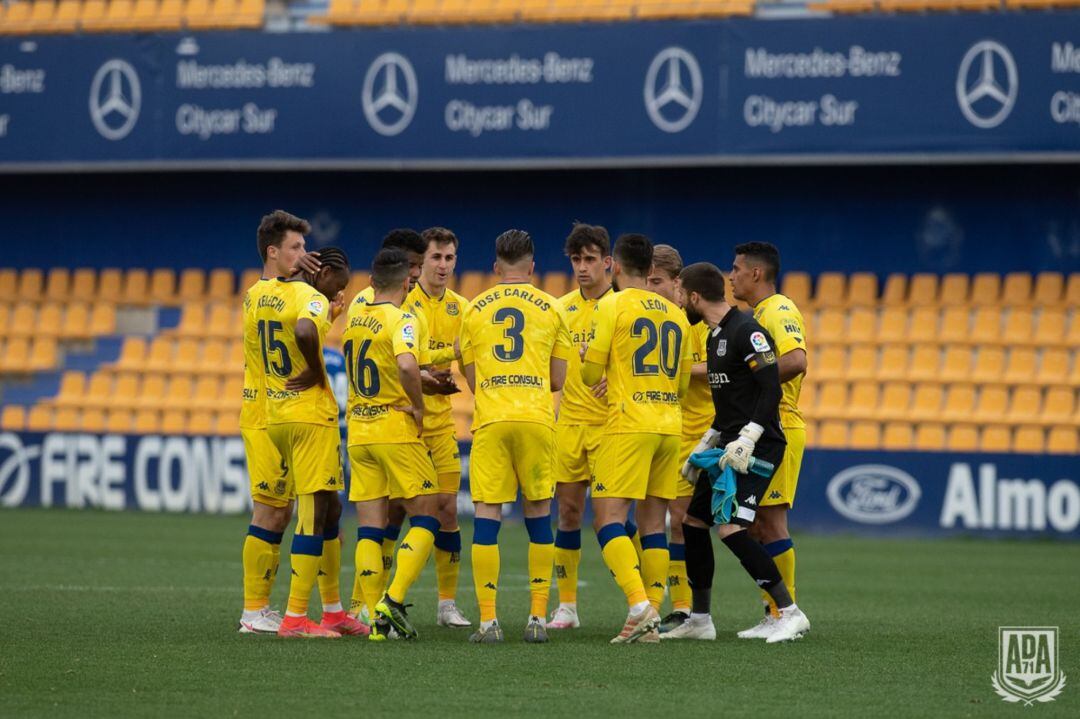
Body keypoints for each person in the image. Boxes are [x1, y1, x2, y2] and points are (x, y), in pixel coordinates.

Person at [675, 262, 810, 643]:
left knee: (733, 527)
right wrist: (707, 443)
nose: (680, 301)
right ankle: (700, 619)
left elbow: (770, 387)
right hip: (728, 444)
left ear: (695, 297)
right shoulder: (714, 336)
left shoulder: (746, 330)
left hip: (759, 445)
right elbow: (731, 402)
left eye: (682, 294)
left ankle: (789, 611)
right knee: (693, 523)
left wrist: (749, 436)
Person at [458, 229, 571, 644]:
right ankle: (537, 619)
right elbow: (558, 379)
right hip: (537, 419)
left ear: (495, 268)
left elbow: (472, 379)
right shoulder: (553, 307)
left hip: (492, 419)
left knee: (487, 519)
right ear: (532, 267)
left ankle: (488, 623)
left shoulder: (473, 310)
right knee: (539, 518)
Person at [581, 233, 692, 644]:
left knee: (607, 517)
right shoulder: (676, 314)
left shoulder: (611, 304)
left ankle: (638, 605)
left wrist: (593, 362)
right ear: (650, 270)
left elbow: (590, 376)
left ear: (613, 266)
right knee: (653, 525)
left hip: (629, 423)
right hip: (669, 424)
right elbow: (681, 385)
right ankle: (651, 622)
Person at [254, 234, 355, 638]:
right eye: (339, 284)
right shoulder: (308, 297)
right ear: (324, 274)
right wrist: (316, 371)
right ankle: (296, 618)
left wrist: (327, 315)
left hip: (278, 413)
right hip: (308, 416)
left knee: (330, 510)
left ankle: (331, 611)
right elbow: (304, 331)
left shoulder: (267, 294)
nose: (341, 292)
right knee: (312, 515)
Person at [346, 247, 443, 641]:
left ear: (371, 283)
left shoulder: (355, 320)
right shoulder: (403, 319)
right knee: (427, 515)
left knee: (370, 528)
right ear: (407, 283)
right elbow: (406, 365)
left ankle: (374, 622)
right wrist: (419, 406)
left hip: (359, 432)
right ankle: (394, 599)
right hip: (393, 427)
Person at [728, 241, 807, 639]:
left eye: (737, 268)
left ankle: (786, 614)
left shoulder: (779, 309)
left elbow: (795, 360)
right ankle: (774, 610)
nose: (731, 275)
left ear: (756, 273)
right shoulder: (756, 315)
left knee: (772, 522)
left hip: (781, 427)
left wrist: (750, 383)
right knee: (759, 524)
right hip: (766, 428)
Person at [237, 210, 305, 635]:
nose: (304, 254)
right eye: (296, 247)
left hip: (276, 412)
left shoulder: (256, 294)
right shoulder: (274, 294)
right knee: (269, 511)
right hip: (265, 416)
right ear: (273, 251)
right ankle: (252, 610)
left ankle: (260, 607)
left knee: (282, 511)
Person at [643, 245, 714, 636]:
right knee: (676, 522)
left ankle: (775, 607)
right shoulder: (652, 321)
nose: (651, 288)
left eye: (658, 281)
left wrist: (678, 365)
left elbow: (715, 364)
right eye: (647, 280)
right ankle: (683, 610)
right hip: (670, 426)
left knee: (695, 522)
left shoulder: (696, 322)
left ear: (676, 283)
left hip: (703, 430)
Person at [405, 227, 471, 628]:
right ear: (421, 261)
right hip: (405, 421)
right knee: (398, 513)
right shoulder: (404, 302)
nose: (443, 265)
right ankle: (372, 599)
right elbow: (406, 363)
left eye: (449, 258)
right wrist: (437, 366)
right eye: (436, 258)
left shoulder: (461, 307)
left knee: (447, 509)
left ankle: (447, 605)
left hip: (441, 422)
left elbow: (471, 357)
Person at [549, 223, 613, 631]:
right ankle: (567, 608)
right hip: (569, 424)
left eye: (591, 259)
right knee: (568, 514)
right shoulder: (559, 309)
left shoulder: (623, 306)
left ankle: (639, 600)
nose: (583, 267)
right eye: (577, 260)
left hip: (612, 427)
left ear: (609, 262)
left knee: (615, 520)